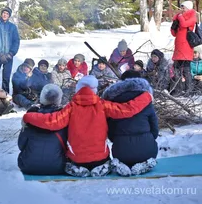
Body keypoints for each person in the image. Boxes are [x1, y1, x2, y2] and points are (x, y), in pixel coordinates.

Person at [22, 75, 153, 177]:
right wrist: (146, 96)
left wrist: (28, 116)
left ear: (78, 90)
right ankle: (102, 166)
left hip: (77, 158)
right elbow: (127, 109)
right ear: (94, 91)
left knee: (73, 156)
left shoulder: (71, 107)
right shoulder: (102, 105)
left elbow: (52, 121)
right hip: (100, 157)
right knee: (102, 156)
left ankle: (76, 167)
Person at [102, 70, 158, 176]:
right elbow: (155, 129)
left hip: (121, 151)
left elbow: (111, 132)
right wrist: (149, 138)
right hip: (147, 149)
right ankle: (145, 163)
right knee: (149, 153)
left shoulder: (113, 101)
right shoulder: (146, 100)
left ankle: (121, 163)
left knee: (122, 153)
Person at [18, 84, 67, 175]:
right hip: (58, 167)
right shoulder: (64, 118)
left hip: (28, 166)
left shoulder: (30, 117)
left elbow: (21, 145)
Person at [0, 7, 20, 93]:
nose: (5, 15)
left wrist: (11, 53)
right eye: (4, 13)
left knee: (6, 78)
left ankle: (5, 97)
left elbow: (16, 41)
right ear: (1, 14)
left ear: (9, 16)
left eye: (7, 13)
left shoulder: (12, 27)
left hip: (9, 57)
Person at [171, 1, 197, 96]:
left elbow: (184, 24)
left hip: (186, 47)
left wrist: (179, 17)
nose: (182, 9)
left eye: (183, 7)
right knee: (176, 69)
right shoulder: (179, 17)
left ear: (188, 8)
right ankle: (178, 89)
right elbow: (174, 34)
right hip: (178, 47)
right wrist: (173, 26)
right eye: (181, 7)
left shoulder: (192, 17)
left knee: (186, 70)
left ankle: (188, 90)